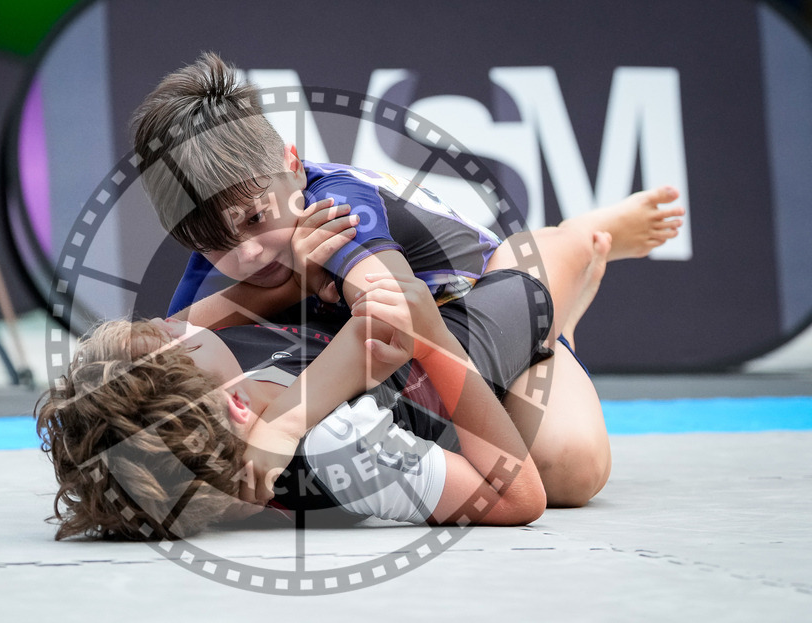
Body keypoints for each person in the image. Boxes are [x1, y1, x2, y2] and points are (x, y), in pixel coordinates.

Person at [129, 52, 685, 507]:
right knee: (552, 465)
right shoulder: (225, 239)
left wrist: (283, 424)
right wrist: (289, 285)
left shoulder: (334, 204)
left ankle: (578, 241)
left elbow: (395, 313)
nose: (246, 253)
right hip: (416, 368)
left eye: (256, 218)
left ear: (294, 166)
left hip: (479, 289)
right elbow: (171, 344)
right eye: (215, 244)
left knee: (572, 471)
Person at [37, 215, 624, 541]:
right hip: (441, 349)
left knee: (357, 283)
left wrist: (308, 270)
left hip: (344, 316)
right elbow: (518, 498)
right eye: (175, 335)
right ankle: (560, 310)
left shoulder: (185, 419)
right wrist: (434, 338)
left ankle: (562, 265)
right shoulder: (339, 446)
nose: (178, 322)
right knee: (573, 465)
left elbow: (312, 298)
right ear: (240, 408)